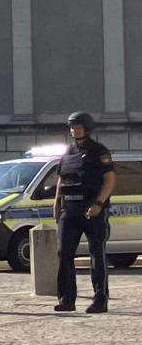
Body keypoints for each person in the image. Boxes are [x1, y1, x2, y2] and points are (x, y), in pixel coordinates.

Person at [54, 111, 116, 314]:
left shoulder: (99, 151)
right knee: (64, 253)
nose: (74, 130)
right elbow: (61, 180)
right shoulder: (68, 152)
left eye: (78, 127)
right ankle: (67, 299)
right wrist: (57, 204)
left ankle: (100, 300)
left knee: (96, 254)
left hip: (93, 209)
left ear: (87, 129)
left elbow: (109, 180)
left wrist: (99, 203)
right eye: (72, 127)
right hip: (70, 209)